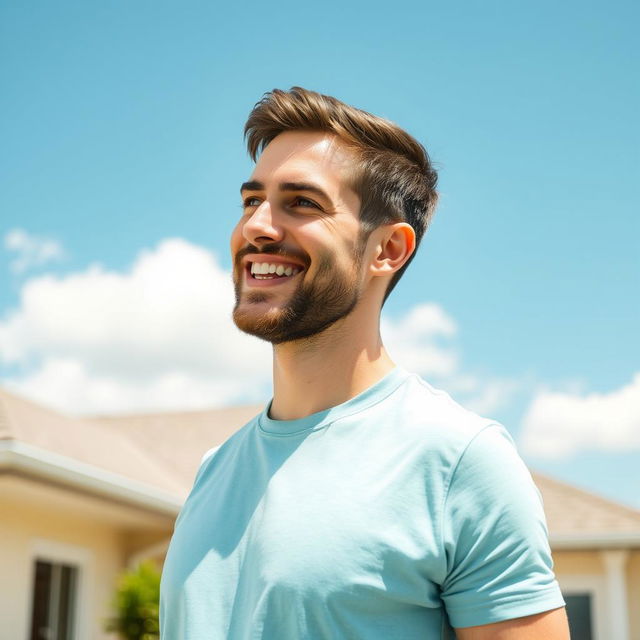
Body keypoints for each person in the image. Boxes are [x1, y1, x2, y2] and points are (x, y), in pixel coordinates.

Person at [160, 87, 570, 639]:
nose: (257, 225)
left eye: (301, 202)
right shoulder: (215, 469)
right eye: (251, 200)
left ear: (388, 250)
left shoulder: (458, 464)